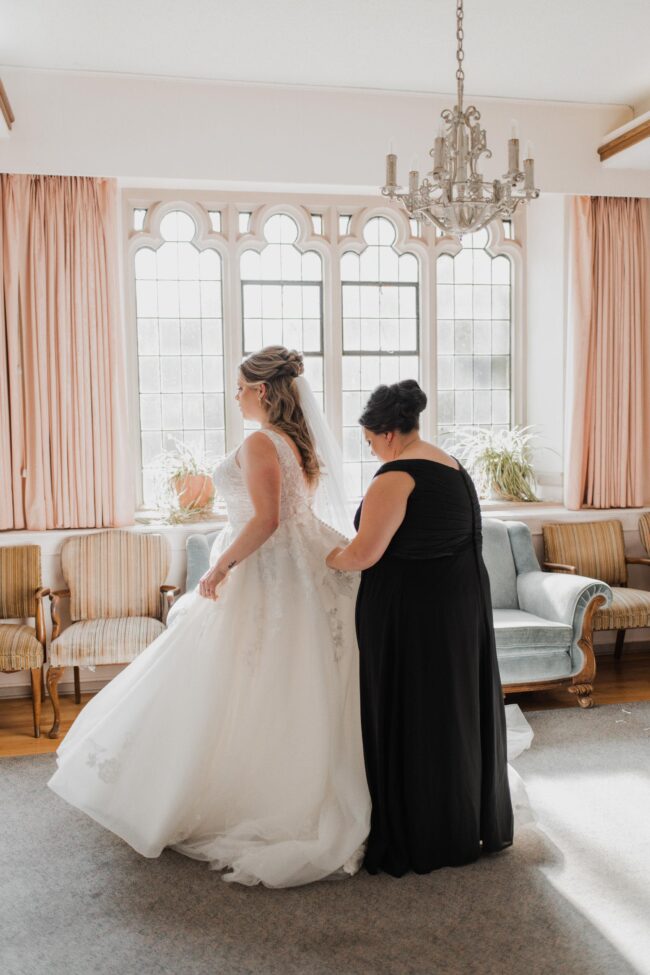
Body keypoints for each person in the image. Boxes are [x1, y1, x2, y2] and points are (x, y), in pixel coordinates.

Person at [48, 346, 370, 888]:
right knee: (257, 679)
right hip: (286, 570)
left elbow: (267, 520)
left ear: (262, 391)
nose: (235, 394)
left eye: (241, 387)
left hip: (263, 572)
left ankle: (228, 791)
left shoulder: (262, 441)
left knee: (238, 681)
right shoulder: (294, 441)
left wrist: (220, 566)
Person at [326, 379, 515, 876]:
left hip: (413, 614)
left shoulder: (396, 475)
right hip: (458, 607)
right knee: (450, 710)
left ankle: (422, 828)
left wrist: (327, 558)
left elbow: (365, 552)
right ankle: (460, 818)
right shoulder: (451, 466)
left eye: (369, 442)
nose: (371, 452)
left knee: (415, 712)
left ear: (387, 434)